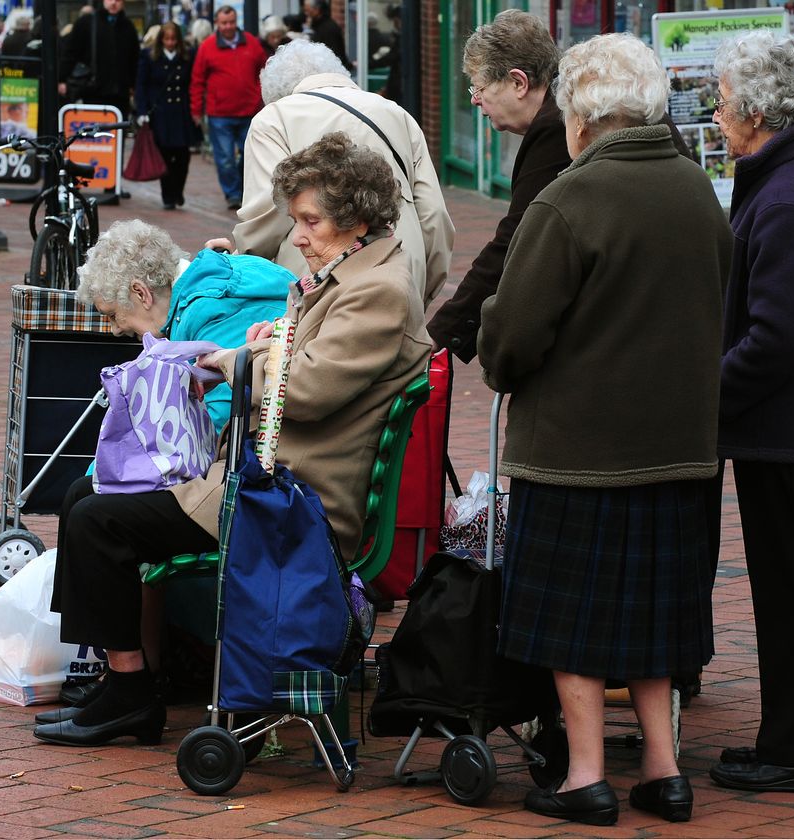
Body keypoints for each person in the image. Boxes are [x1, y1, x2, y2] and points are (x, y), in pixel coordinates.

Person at [33, 135, 430, 747]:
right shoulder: (347, 274)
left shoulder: (377, 288)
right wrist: (239, 357)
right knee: (85, 492)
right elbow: (293, 362)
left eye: (309, 220)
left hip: (295, 502)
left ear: (356, 217)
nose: (296, 235)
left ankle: (130, 692)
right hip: (272, 478)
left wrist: (238, 361)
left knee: (98, 519)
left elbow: (307, 390)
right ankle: (116, 682)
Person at [477, 33, 732, 826]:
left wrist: (487, 320)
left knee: (574, 623)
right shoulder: (698, 192)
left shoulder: (568, 201)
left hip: (576, 455)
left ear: (580, 117)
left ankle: (585, 776)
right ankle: (664, 772)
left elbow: (511, 339)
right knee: (655, 618)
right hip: (682, 450)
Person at [706, 31, 794, 796]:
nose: (719, 116)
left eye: (725, 103)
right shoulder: (788, 177)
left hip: (782, 434)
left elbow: (776, 338)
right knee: (792, 585)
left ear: (759, 111)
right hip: (779, 430)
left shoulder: (792, 194)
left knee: (793, 588)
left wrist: (705, 396)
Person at [204, 39, 453, 307]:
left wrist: (239, 263)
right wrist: (423, 287)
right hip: (401, 266)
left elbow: (269, 214)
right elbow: (434, 215)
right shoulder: (396, 113)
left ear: (274, 94)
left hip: (315, 279)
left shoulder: (273, 119)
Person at [427, 10, 569, 361]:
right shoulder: (564, 109)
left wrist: (440, 335)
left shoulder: (557, 127)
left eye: (480, 87)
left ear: (519, 82)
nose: (475, 100)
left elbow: (516, 238)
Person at [75, 219, 291, 432]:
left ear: (141, 293)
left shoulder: (205, 313)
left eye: (113, 315)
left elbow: (217, 425)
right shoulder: (225, 270)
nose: (116, 330)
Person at [189, 4, 267, 210]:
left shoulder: (252, 43)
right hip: (219, 114)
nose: (228, 26)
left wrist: (261, 97)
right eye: (224, 23)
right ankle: (233, 194)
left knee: (249, 156)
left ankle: (245, 191)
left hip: (249, 111)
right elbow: (197, 80)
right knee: (225, 159)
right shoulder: (207, 47)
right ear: (217, 23)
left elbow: (265, 70)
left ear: (236, 22)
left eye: (231, 22)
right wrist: (196, 109)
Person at [135, 21, 202, 210]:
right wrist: (142, 111)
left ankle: (178, 189)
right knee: (164, 155)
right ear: (160, 39)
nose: (170, 43)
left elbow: (193, 82)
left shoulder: (187, 56)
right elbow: (141, 85)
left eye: (173, 39)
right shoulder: (149, 56)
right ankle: (168, 195)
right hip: (160, 113)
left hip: (181, 112)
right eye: (166, 39)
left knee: (182, 155)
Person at [58, 0, 139, 120]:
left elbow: (134, 59)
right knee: (95, 132)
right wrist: (61, 79)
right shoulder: (86, 23)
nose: (113, 3)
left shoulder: (128, 27)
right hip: (93, 91)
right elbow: (70, 54)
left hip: (120, 94)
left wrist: (133, 85)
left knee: (117, 132)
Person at [302, 0, 350, 71]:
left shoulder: (328, 28)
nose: (306, 13)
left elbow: (335, 53)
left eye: (308, 10)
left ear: (317, 10)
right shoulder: (319, 26)